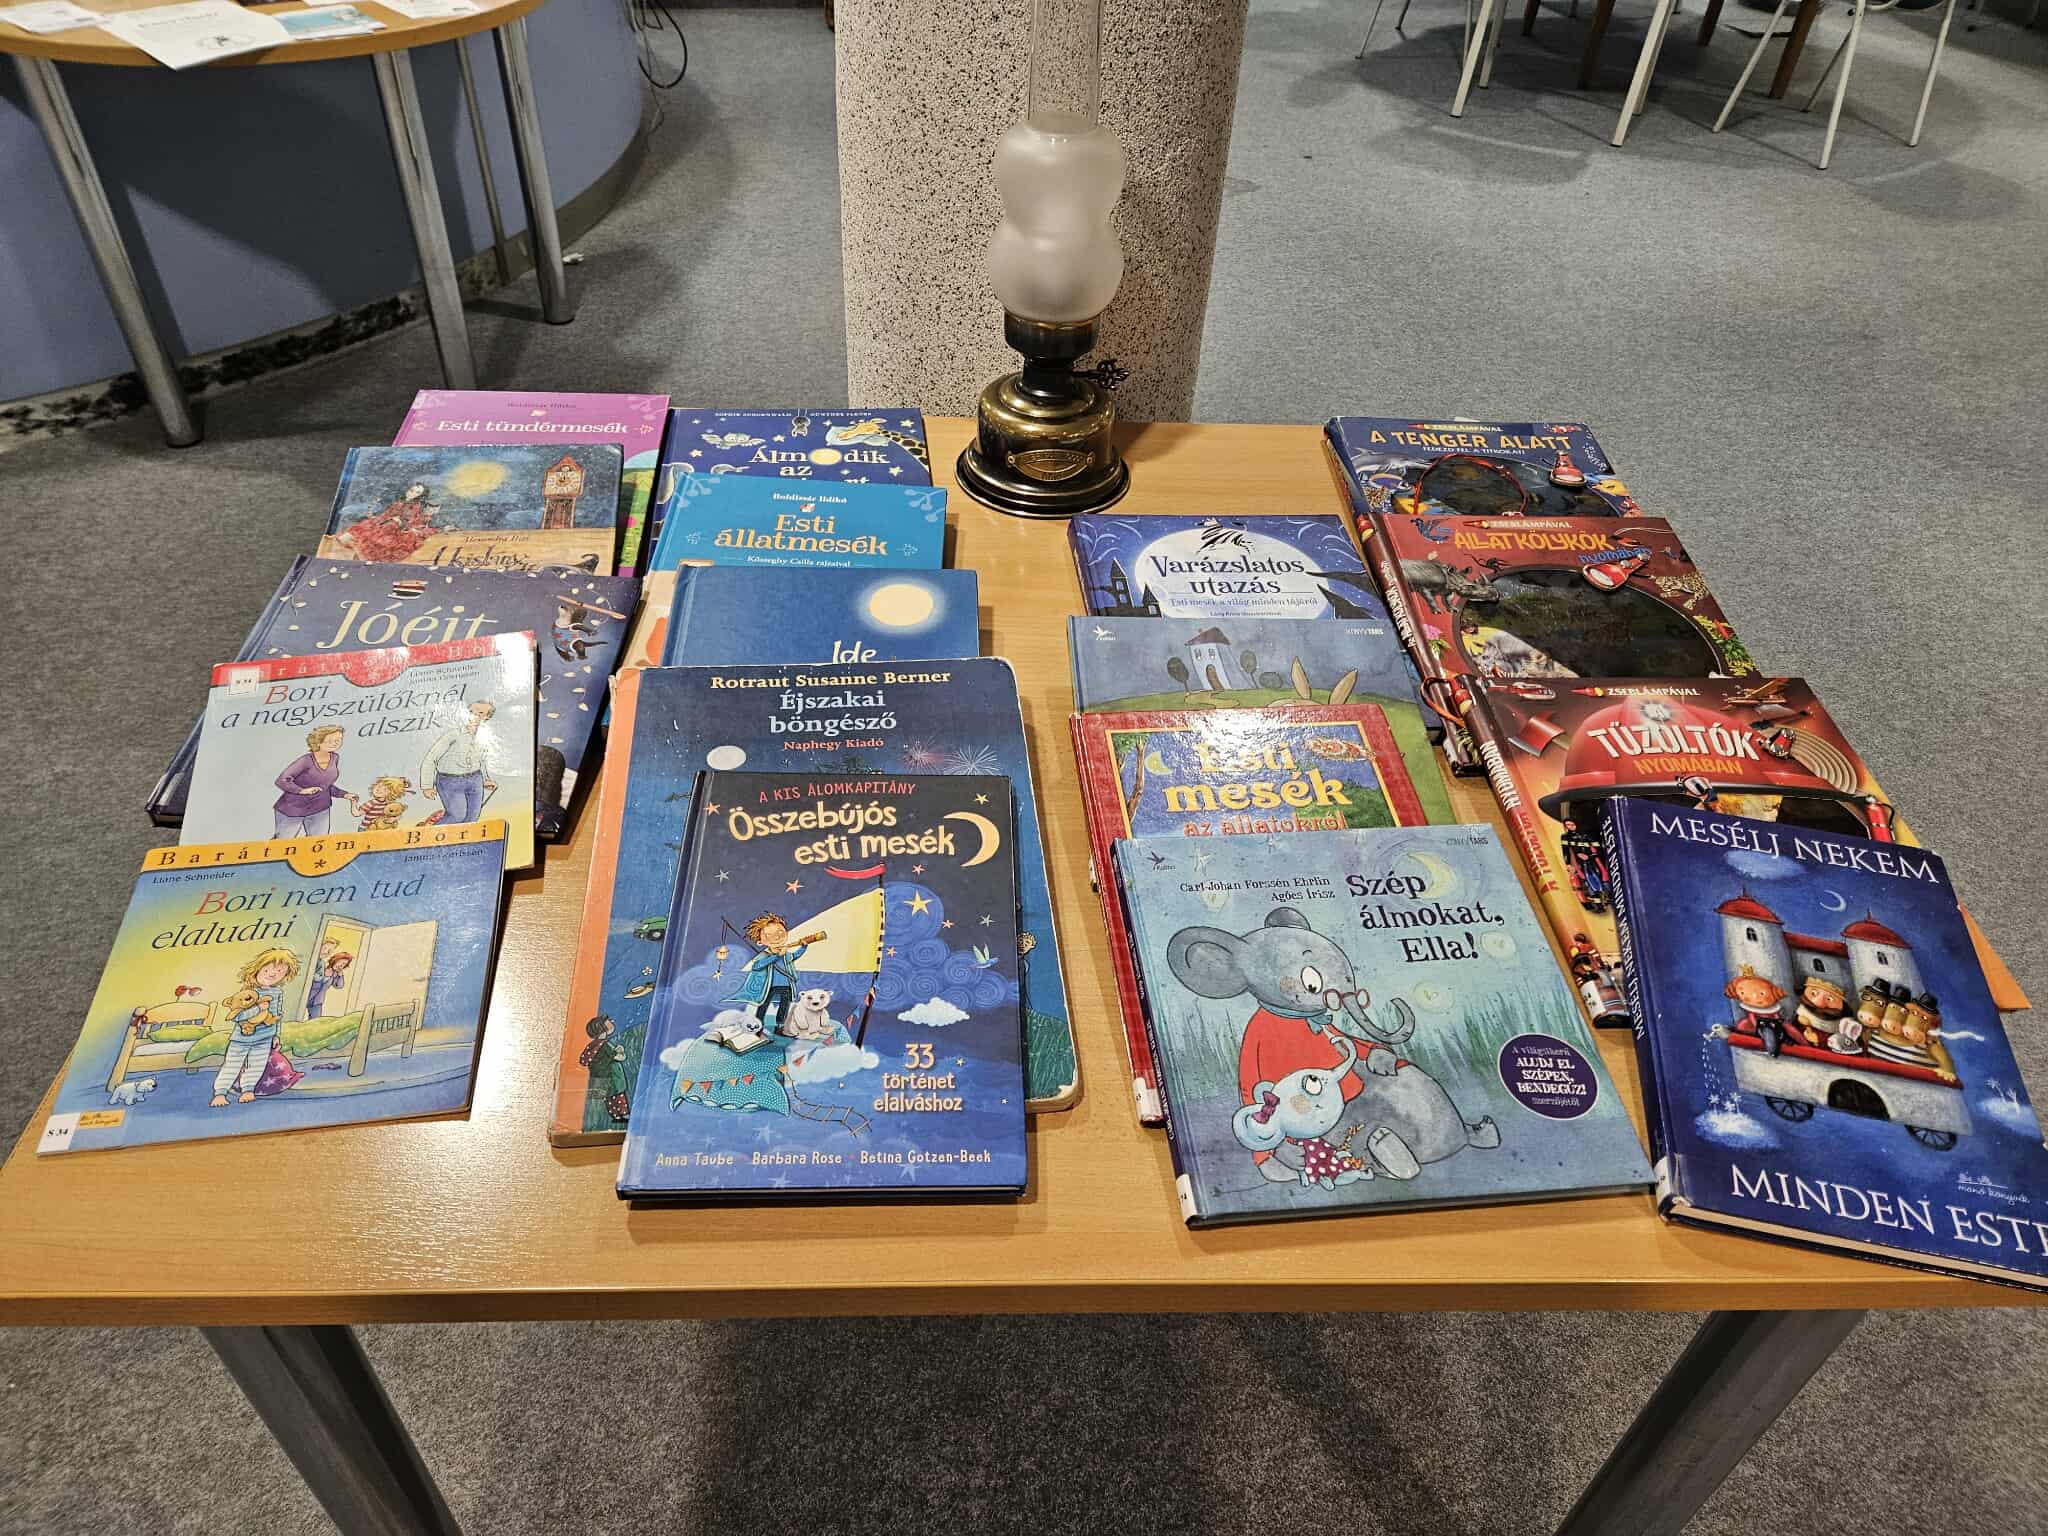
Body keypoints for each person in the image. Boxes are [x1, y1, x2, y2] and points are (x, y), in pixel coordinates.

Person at [213, 948, 298, 1107]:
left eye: (279, 972)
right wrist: (258, 1009)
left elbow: (276, 1015)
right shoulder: (248, 992)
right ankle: (220, 1093)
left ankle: (248, 1090)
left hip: (265, 1038)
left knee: (256, 1065)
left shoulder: (277, 992)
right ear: (257, 969)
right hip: (241, 1039)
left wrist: (276, 1035)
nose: (272, 974)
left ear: (285, 976)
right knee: (232, 1065)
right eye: (267, 970)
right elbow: (237, 1016)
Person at [717, 912, 826, 1031]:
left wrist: (803, 947)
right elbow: (757, 966)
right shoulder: (765, 954)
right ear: (760, 942)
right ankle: (758, 1025)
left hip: (786, 986)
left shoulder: (786, 953)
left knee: (784, 1007)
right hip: (769, 987)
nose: (776, 937)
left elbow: (794, 956)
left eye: (780, 932)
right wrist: (776, 956)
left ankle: (779, 1027)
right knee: (763, 1005)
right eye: (769, 935)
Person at [420, 701, 498, 824]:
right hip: (450, 781)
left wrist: (485, 779)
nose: (474, 716)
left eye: (480, 713)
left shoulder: (484, 738)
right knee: (457, 816)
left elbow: (481, 760)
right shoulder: (454, 735)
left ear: (487, 717)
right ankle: (430, 834)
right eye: (471, 712)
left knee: (472, 818)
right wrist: (426, 786)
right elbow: (431, 758)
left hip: (475, 780)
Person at [273, 727, 356, 836]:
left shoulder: (334, 758)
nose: (335, 743)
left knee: (319, 842)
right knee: (283, 843)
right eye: (330, 741)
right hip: (293, 809)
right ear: (318, 742)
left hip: (320, 809)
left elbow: (325, 785)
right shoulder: (305, 760)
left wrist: (344, 794)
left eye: (338, 740)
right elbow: (282, 780)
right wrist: (301, 790)